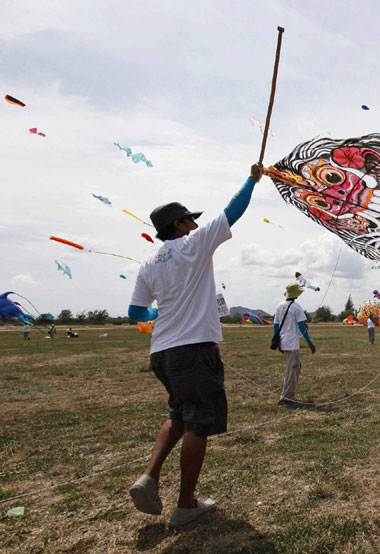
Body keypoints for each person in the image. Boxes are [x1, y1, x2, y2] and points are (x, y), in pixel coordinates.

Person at [127, 163, 262, 528]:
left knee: (178, 412)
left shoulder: (148, 263)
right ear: (178, 225)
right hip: (193, 350)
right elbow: (232, 212)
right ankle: (186, 505)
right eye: (189, 218)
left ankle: (149, 477)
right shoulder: (193, 245)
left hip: (163, 352)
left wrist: (166, 311)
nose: (195, 224)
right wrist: (252, 179)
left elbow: (135, 311)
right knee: (199, 423)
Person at [274, 282, 316, 405]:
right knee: (292, 370)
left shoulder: (279, 306)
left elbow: (276, 325)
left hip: (283, 341)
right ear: (296, 294)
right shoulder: (296, 307)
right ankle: (286, 397)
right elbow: (302, 326)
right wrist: (310, 343)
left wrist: (278, 343)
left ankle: (288, 395)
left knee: (295, 367)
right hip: (291, 343)